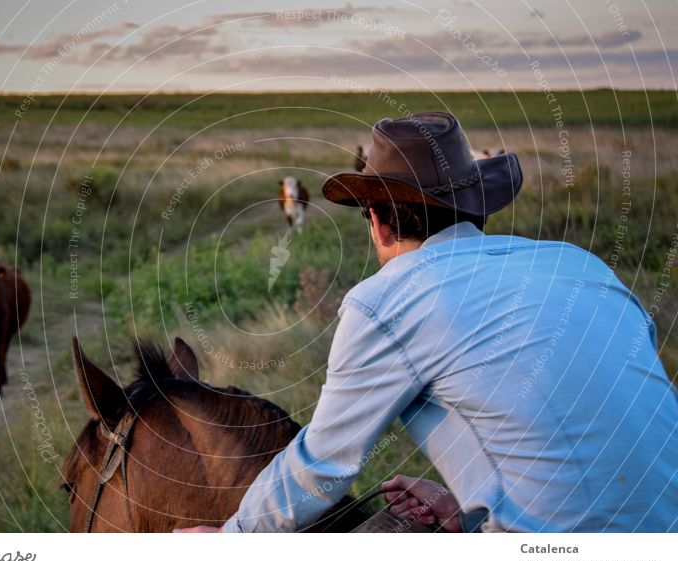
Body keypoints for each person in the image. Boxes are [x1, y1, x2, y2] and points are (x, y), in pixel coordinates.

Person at [178, 112, 678, 533]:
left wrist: (229, 539)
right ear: (476, 207)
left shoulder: (388, 300)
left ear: (377, 220)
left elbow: (322, 466)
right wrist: (467, 505)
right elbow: (593, 421)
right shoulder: (580, 264)